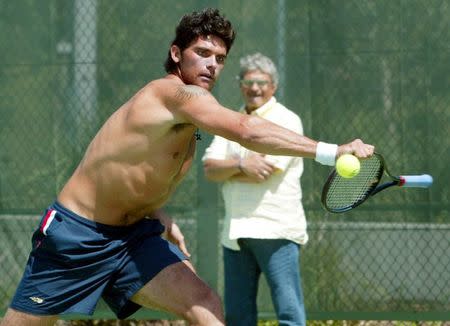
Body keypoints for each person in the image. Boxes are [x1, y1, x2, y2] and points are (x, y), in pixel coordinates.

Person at [1, 7, 374, 326]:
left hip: (132, 238)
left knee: (205, 304)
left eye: (220, 58)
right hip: (77, 236)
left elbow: (127, 168)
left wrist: (158, 213)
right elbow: (246, 128)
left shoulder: (191, 111)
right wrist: (332, 150)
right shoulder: (173, 94)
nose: (212, 64)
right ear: (176, 53)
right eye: (202, 52)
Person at [202, 52, 309, 325]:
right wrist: (241, 163)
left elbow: (264, 171)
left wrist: (232, 168)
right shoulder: (229, 121)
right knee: (238, 316)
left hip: (277, 230)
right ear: (240, 85)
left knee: (289, 313)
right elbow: (210, 169)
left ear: (273, 86)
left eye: (262, 82)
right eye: (248, 82)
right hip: (235, 234)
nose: (254, 88)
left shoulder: (287, 121)